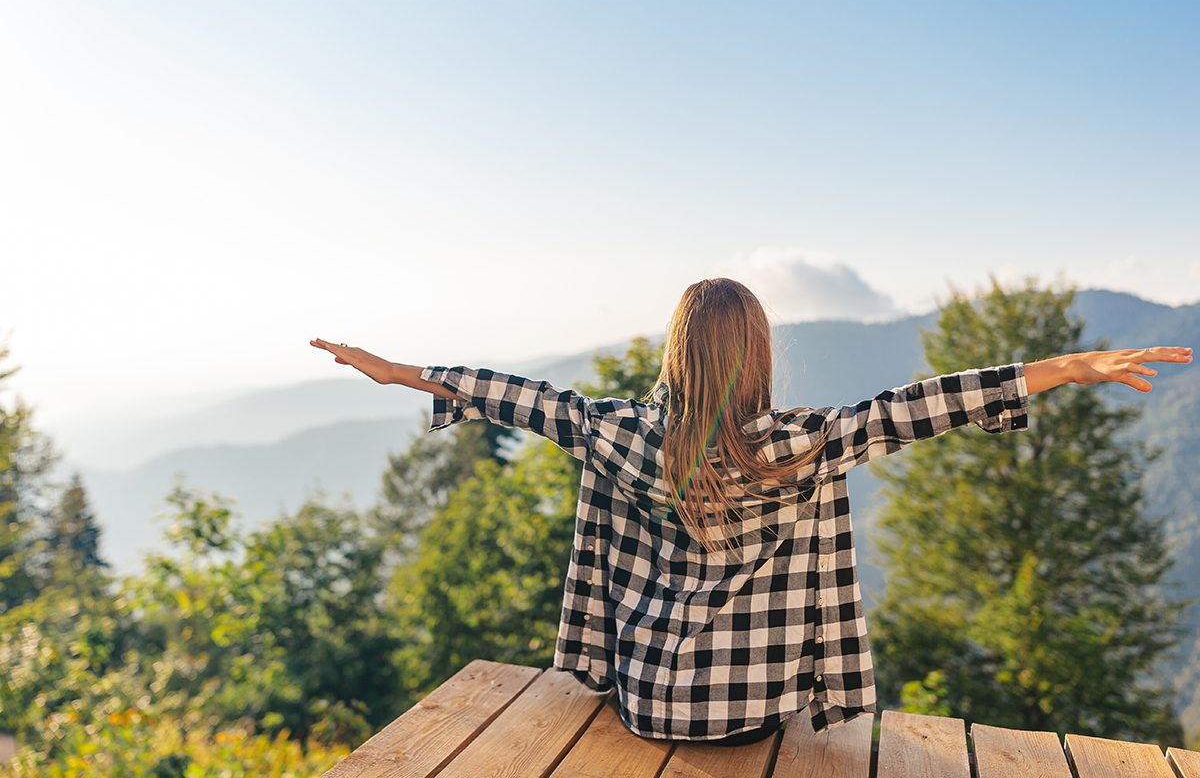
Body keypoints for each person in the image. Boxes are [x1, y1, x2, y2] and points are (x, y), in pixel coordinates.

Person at [309, 278, 1192, 745]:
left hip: (649, 706)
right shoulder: (801, 445)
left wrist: (408, 375)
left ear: (678, 353)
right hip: (751, 717)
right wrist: (1065, 368)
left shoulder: (621, 437)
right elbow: (917, 405)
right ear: (758, 351)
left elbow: (532, 400)